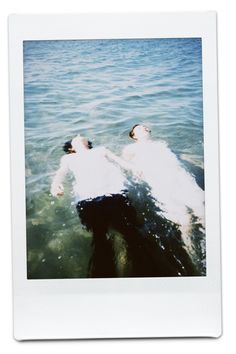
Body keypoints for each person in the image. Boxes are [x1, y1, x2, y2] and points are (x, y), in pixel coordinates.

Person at [50, 135, 167, 278]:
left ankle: (148, 272)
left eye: (83, 137)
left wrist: (134, 168)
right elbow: (61, 172)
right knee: (100, 239)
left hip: (114, 192)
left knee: (131, 233)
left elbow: (120, 161)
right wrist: (56, 184)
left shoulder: (101, 150)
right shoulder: (68, 158)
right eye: (76, 138)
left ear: (88, 143)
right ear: (71, 148)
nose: (79, 137)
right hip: (87, 198)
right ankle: (103, 278)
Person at [122, 124, 205, 248]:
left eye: (145, 127)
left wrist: (200, 163)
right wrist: (136, 171)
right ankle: (190, 248)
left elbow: (177, 157)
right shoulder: (130, 149)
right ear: (134, 136)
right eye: (139, 128)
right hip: (160, 182)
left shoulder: (161, 143)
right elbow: (127, 165)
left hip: (182, 177)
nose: (144, 128)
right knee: (185, 218)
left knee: (202, 210)